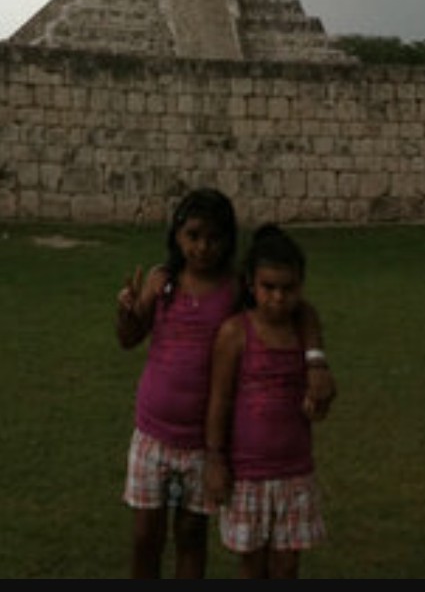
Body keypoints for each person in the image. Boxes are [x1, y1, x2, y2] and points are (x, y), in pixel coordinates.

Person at [116, 190, 335, 579]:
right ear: (176, 235)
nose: (202, 247)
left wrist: (316, 361)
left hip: (202, 441)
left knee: (191, 533)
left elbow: (298, 310)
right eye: (193, 235)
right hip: (153, 432)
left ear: (228, 240)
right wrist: (127, 312)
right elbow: (129, 338)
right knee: (146, 534)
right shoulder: (162, 281)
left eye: (213, 238)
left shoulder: (236, 290)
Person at [204, 223, 332, 579]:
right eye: (268, 287)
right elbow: (219, 400)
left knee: (287, 565)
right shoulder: (235, 333)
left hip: (294, 468)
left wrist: (317, 397)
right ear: (250, 284)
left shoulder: (303, 329)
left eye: (288, 288)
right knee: (252, 564)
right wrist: (214, 459)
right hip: (248, 472)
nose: (278, 298)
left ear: (301, 286)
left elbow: (319, 390)